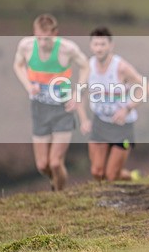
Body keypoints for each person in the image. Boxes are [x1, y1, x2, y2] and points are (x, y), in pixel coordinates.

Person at [13, 13, 91, 191]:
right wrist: (27, 85)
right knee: (43, 165)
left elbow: (85, 66)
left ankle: (59, 195)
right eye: (39, 38)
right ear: (34, 32)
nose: (42, 43)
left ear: (55, 33)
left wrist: (77, 93)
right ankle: (55, 182)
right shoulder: (25, 46)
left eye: (47, 39)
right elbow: (17, 65)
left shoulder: (67, 49)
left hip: (62, 109)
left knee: (55, 163)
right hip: (39, 109)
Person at [86, 27, 149, 182]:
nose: (99, 48)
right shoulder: (88, 67)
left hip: (122, 126)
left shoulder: (121, 67)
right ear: (91, 46)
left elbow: (147, 88)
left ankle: (132, 177)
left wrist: (127, 108)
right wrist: (83, 119)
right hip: (100, 122)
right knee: (97, 172)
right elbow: (81, 91)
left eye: (103, 44)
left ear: (111, 46)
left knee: (111, 175)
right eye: (96, 44)